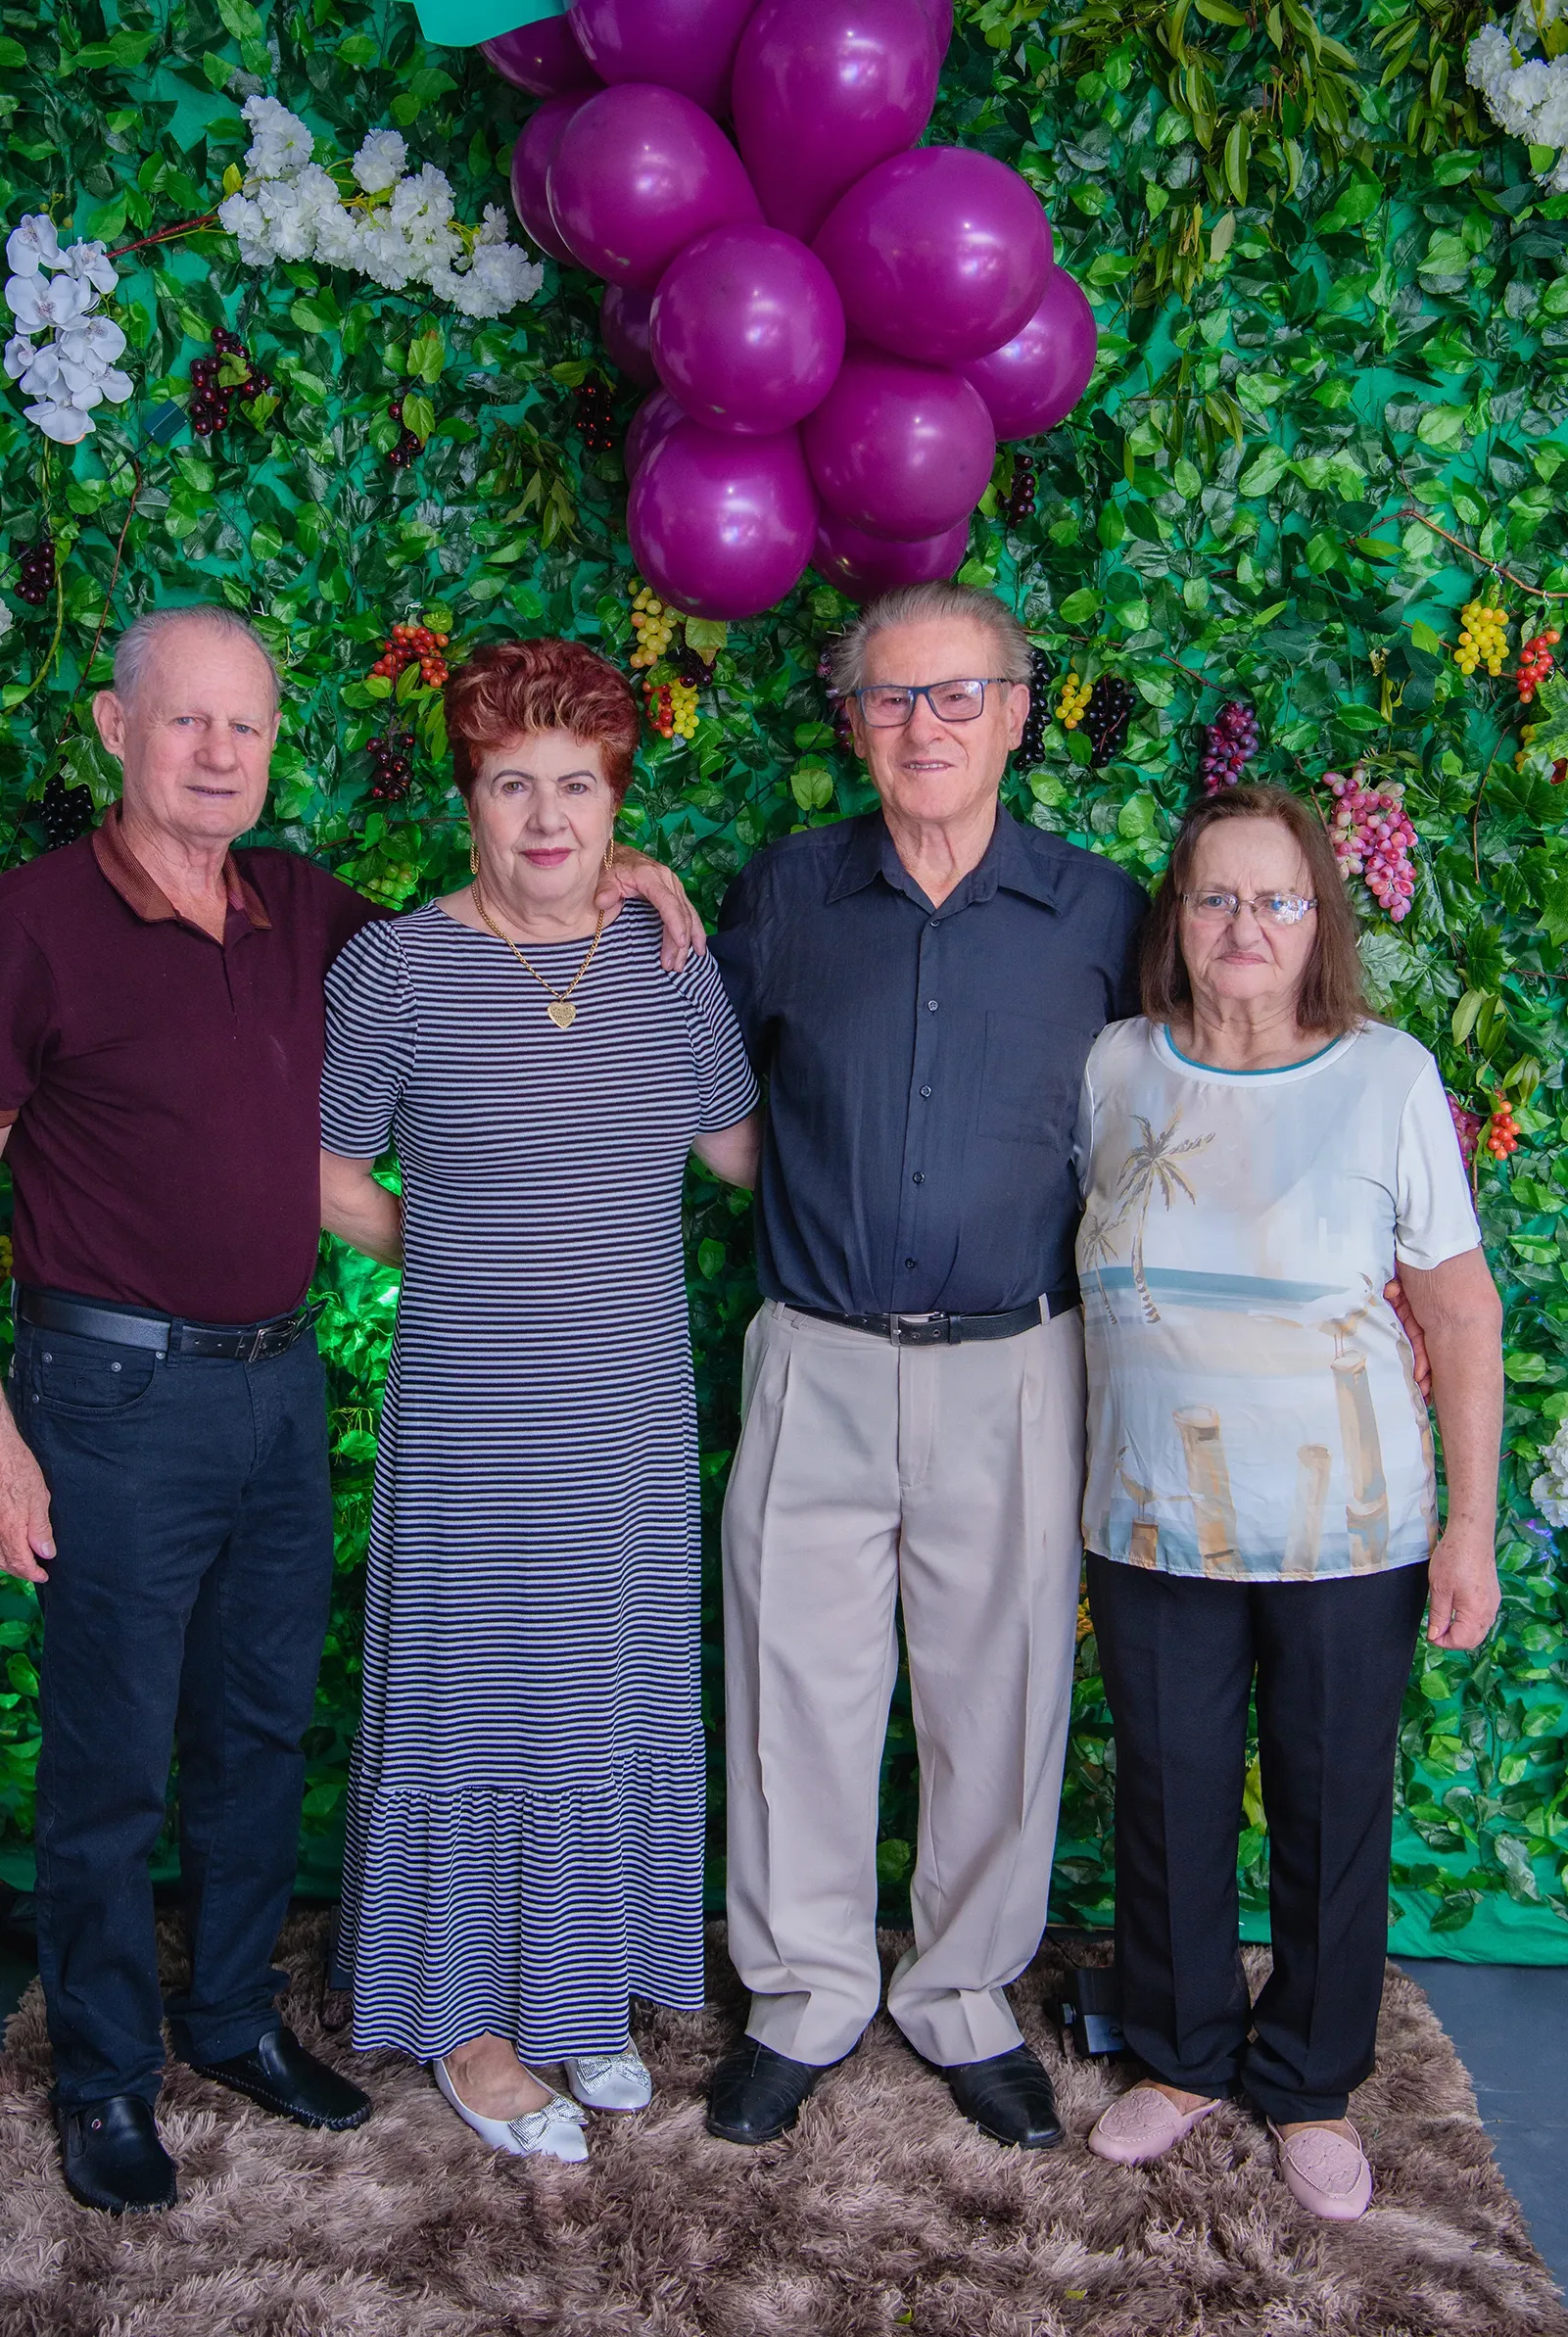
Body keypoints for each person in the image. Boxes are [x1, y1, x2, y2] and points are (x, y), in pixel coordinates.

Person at [0, 603, 706, 2215]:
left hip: (277, 1382)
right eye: (186, 723)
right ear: (114, 731)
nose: (217, 754)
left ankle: (230, 2022)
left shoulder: (303, 912)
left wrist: (631, 875)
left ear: (275, 748)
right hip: (111, 1390)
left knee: (264, 1730)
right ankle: (109, 2078)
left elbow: (502, 912)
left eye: (246, 728)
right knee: (114, 1757)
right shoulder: (27, 922)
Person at [705, 580, 1149, 2151]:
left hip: (1018, 1363)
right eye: (893, 698)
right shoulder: (785, 891)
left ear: (1020, 713)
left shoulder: (1103, 911)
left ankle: (960, 1991)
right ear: (852, 722)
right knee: (793, 1690)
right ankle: (805, 1989)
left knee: (1002, 1690)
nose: (926, 726)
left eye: (960, 696)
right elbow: (700, 1079)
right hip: (815, 1352)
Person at [319, 637, 759, 2165]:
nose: (549, 818)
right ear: (472, 799)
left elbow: (742, 1155)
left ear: (615, 800)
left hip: (628, 1405)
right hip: (469, 1408)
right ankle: (470, 2024)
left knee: (608, 1680)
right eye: (515, 785)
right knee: (479, 1685)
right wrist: (453, 1242)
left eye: (579, 785)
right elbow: (327, 1173)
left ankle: (577, 1992)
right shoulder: (394, 966)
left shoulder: (663, 960)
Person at [1077, 784, 1502, 2222]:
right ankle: (1185, 2053)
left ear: (1319, 918)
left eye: (1277, 899)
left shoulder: (1385, 1076)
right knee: (1170, 1792)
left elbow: (1459, 1313)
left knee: (1331, 1806)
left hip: (1350, 1526)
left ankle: (1310, 2078)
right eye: (1215, 898)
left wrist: (1468, 1526)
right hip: (1150, 1513)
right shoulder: (1115, 1066)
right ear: (1177, 921)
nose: (1244, 926)